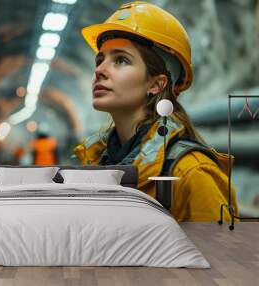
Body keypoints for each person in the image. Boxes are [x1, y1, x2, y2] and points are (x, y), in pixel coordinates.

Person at [73, 1, 238, 222]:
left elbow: (222, 254)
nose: (100, 70)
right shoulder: (96, 161)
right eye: (100, 60)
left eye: (121, 60)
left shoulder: (190, 173)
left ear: (157, 84)